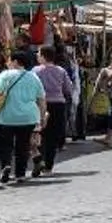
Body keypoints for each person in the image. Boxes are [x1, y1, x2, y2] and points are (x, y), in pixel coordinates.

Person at [0, 48, 46, 185]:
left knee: (5, 145)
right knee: (23, 146)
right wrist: (42, 117)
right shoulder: (33, 77)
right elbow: (41, 99)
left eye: (9, 60)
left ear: (15, 61)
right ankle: (20, 173)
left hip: (7, 117)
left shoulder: (5, 75)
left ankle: (6, 166)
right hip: (28, 117)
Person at [33, 42, 75, 174]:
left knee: (39, 133)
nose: (37, 56)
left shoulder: (35, 71)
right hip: (58, 104)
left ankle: (40, 158)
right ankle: (48, 165)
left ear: (44, 56)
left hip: (40, 105)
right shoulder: (61, 71)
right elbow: (68, 89)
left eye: (39, 54)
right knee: (52, 136)